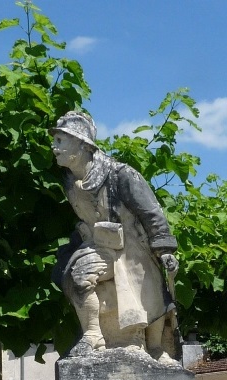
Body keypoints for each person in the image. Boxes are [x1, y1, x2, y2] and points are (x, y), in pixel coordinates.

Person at [50, 111, 179, 362]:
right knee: (73, 274)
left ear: (82, 144)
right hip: (98, 245)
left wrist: (164, 250)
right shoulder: (69, 181)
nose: (54, 148)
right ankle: (94, 335)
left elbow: (151, 212)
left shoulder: (120, 174)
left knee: (146, 295)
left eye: (60, 141)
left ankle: (132, 342)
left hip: (133, 248)